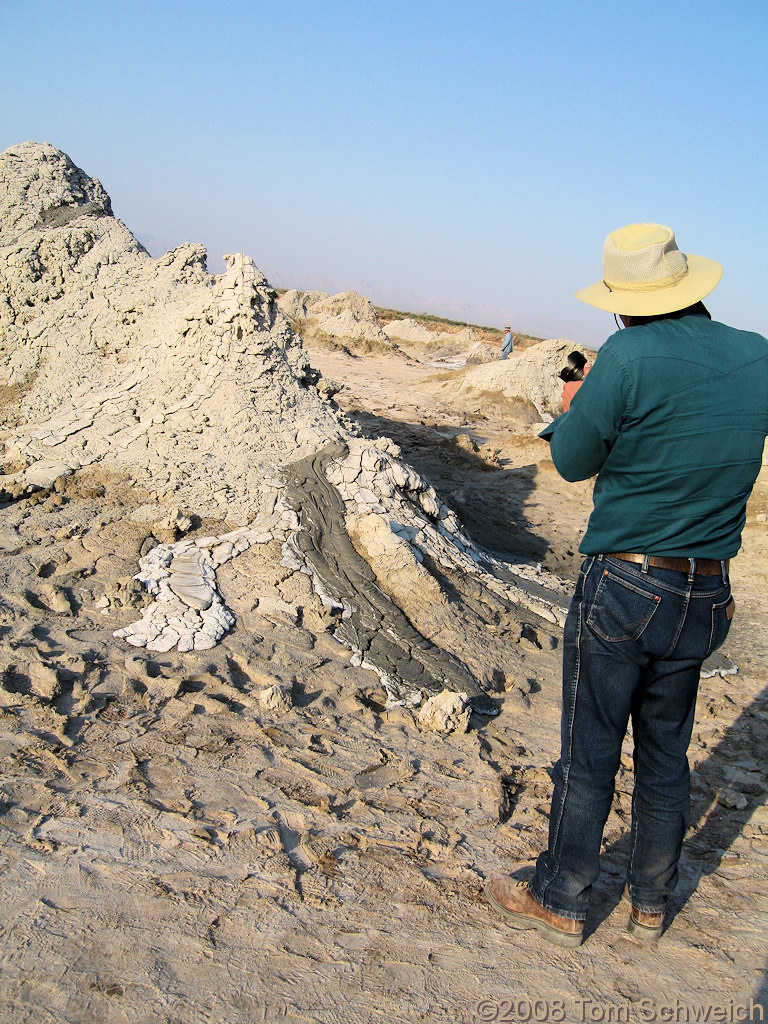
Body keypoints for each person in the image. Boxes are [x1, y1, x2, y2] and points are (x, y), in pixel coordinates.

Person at [485, 223, 768, 947]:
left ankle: (561, 893)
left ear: (626, 303)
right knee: (667, 755)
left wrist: (574, 408)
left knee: (590, 750)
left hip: (627, 581)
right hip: (708, 592)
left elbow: (576, 463)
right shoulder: (756, 354)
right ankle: (651, 901)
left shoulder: (628, 354)